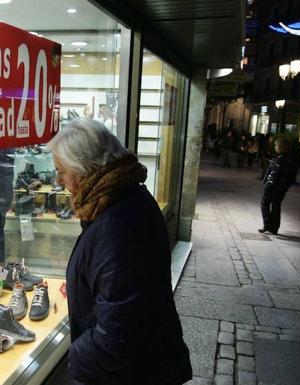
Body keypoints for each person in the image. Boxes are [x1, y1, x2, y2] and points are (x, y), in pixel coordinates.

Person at [47, 119, 192, 385]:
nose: (58, 181)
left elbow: (117, 335)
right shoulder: (125, 198)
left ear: (83, 169)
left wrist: (77, 357)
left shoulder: (115, 225)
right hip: (147, 363)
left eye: (61, 171)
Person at [259, 139, 292, 235]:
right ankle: (274, 228)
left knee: (265, 203)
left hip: (273, 186)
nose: (275, 147)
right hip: (280, 187)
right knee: (276, 205)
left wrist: (267, 182)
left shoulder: (280, 159)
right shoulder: (288, 159)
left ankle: (268, 224)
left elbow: (274, 173)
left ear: (280, 147)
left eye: (276, 146)